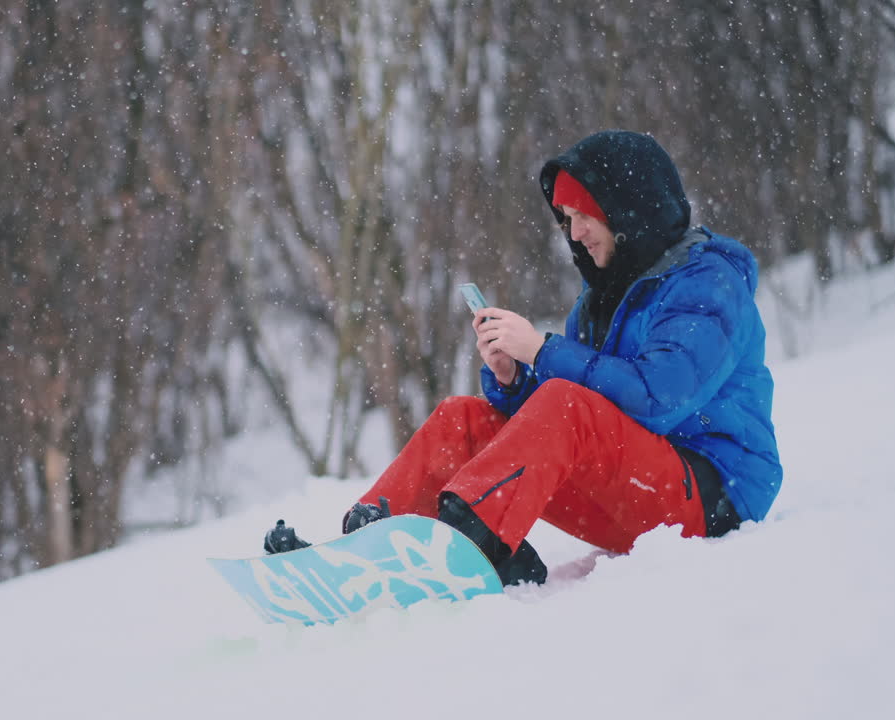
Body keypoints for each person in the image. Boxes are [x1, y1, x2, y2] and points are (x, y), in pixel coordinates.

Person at [264, 130, 782, 587]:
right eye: (567, 219)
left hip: (714, 499)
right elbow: (575, 426)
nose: (574, 233)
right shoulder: (601, 301)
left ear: (627, 212)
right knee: (463, 418)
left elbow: (657, 399)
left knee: (562, 404)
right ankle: (366, 550)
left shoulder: (709, 286)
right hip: (636, 492)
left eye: (584, 216)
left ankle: (470, 549)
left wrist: (543, 350)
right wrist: (513, 379)